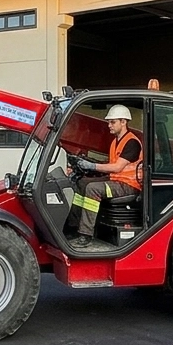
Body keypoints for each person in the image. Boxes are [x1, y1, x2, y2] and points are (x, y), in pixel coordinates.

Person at [67, 105, 142, 248]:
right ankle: (72, 226)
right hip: (116, 180)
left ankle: (86, 234)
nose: (109, 125)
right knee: (82, 183)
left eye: (112, 122)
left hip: (129, 185)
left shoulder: (131, 143)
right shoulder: (115, 142)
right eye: (109, 122)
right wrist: (87, 164)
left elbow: (117, 167)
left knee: (93, 189)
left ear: (123, 122)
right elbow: (110, 164)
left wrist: (92, 166)